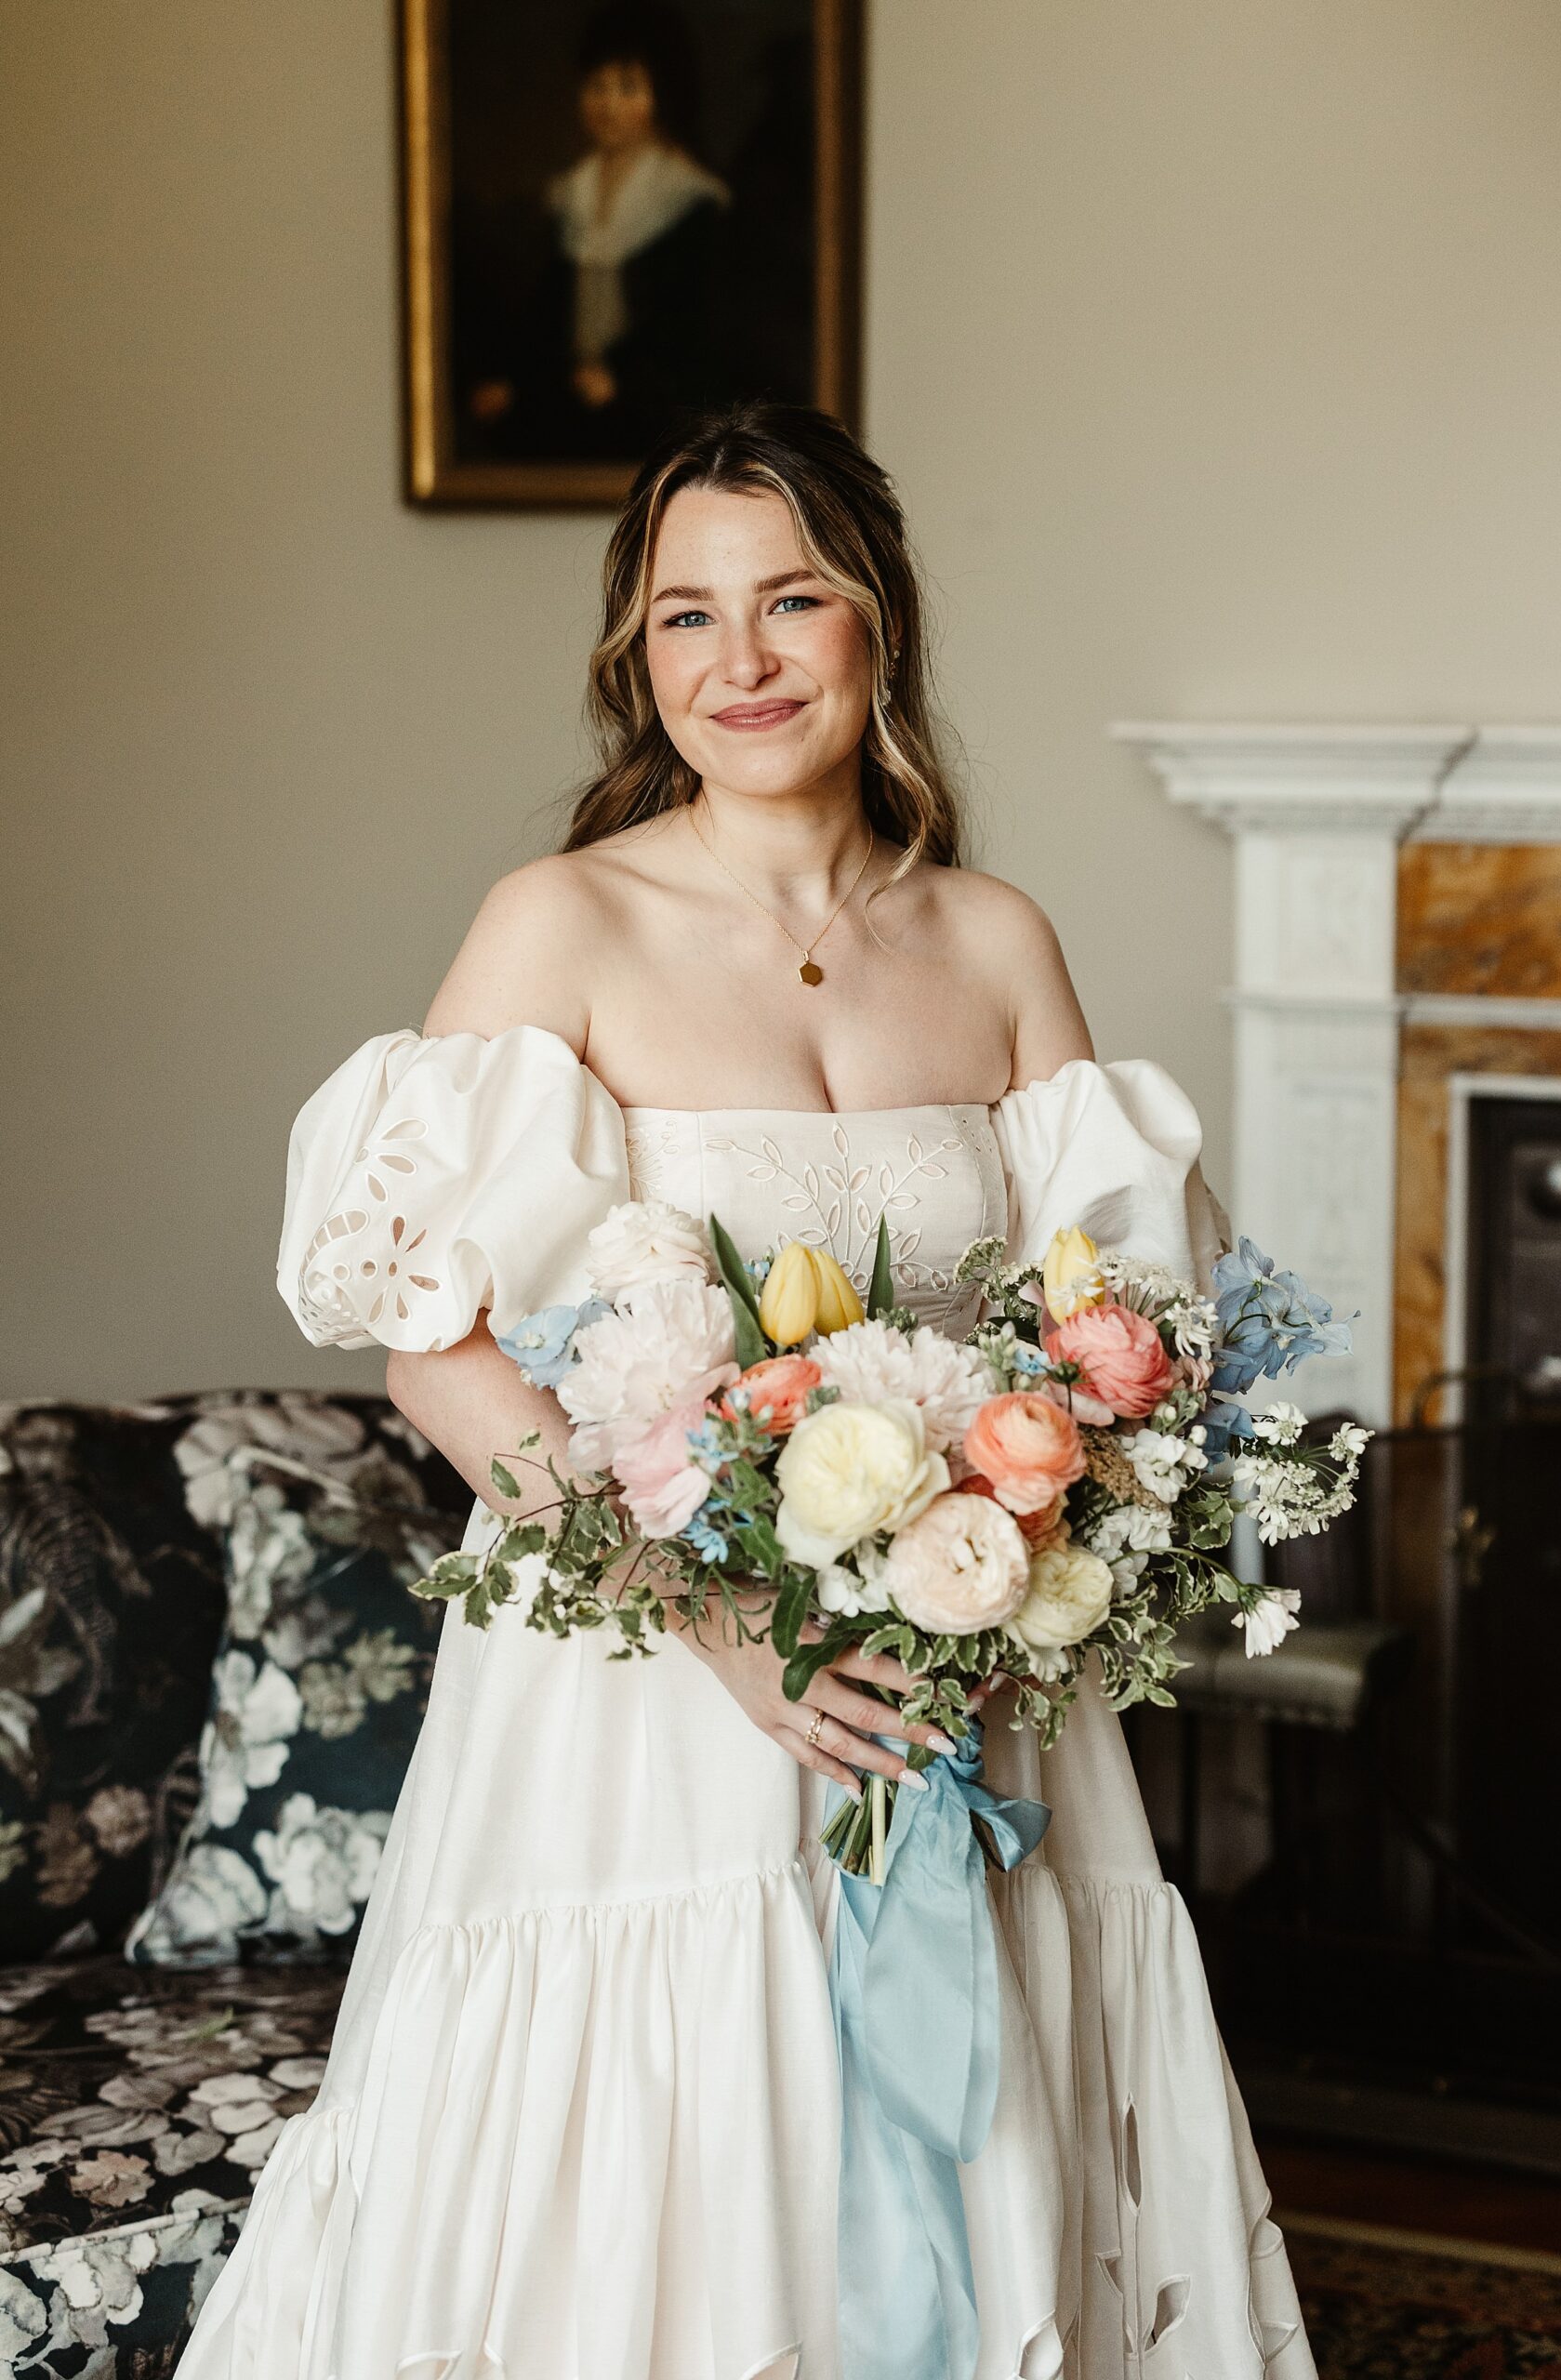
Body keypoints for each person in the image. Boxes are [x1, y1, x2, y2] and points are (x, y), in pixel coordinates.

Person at [179, 401, 1316, 2378]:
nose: (743, 660)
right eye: (687, 614)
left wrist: (1033, 1545)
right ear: (637, 654)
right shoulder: (567, 922)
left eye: (792, 600)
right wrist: (717, 1623)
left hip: (967, 1677)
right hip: (645, 1688)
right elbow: (428, 1339)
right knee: (690, 2165)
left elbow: (1120, 1330)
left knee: (989, 2139)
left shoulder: (989, 937)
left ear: (877, 627)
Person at [468, 4, 734, 464]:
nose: (607, 104)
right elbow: (547, 311)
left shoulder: (688, 196)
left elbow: (685, 326)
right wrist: (514, 379)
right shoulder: (572, 192)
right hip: (568, 386)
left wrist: (622, 380)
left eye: (627, 87)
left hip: (649, 397)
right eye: (597, 86)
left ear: (660, 94)